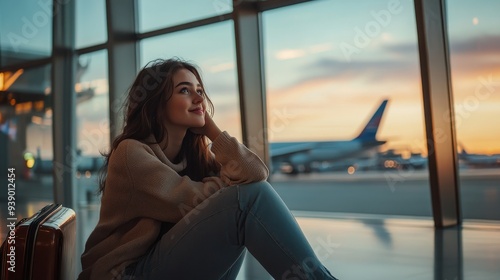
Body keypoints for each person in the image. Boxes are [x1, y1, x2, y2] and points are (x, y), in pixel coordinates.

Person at [78, 58, 338, 280]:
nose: (198, 97)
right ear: (157, 104)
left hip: (156, 265)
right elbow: (195, 201)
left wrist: (212, 130)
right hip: (126, 273)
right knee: (247, 201)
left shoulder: (192, 155)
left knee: (249, 196)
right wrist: (228, 185)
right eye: (184, 90)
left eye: (199, 90)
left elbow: (256, 174)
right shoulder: (131, 153)